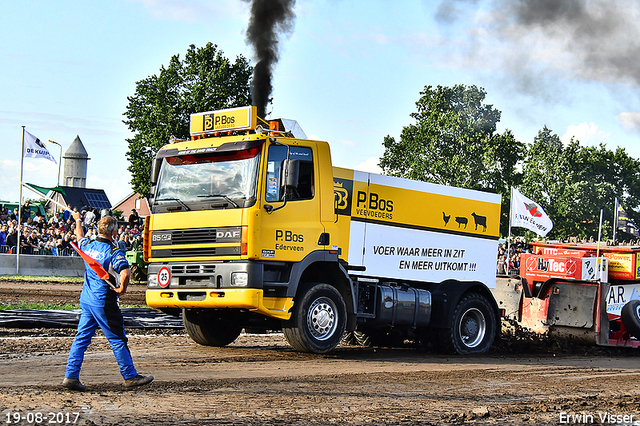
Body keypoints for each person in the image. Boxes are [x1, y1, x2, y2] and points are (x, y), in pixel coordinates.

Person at [62, 211, 153, 392]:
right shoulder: (114, 251)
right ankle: (130, 376)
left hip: (87, 300)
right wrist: (122, 289)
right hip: (104, 301)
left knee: (81, 338)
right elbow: (126, 273)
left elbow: (79, 235)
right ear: (113, 233)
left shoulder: (87, 244)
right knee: (117, 339)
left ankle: (71, 376)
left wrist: (78, 219)